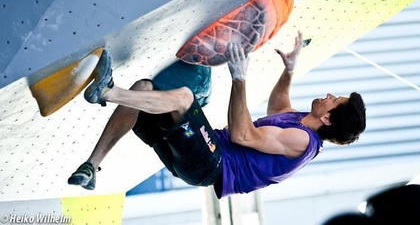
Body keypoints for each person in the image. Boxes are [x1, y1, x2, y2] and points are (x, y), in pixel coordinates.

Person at [68, 31, 366, 198]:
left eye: (333, 100)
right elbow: (279, 107)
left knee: (184, 98)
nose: (328, 96)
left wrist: (239, 77)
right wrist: (289, 70)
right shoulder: (300, 123)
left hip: (211, 164)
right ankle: (92, 166)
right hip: (196, 158)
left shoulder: (303, 143)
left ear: (328, 119)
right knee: (144, 90)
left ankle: (106, 92)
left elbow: (243, 135)